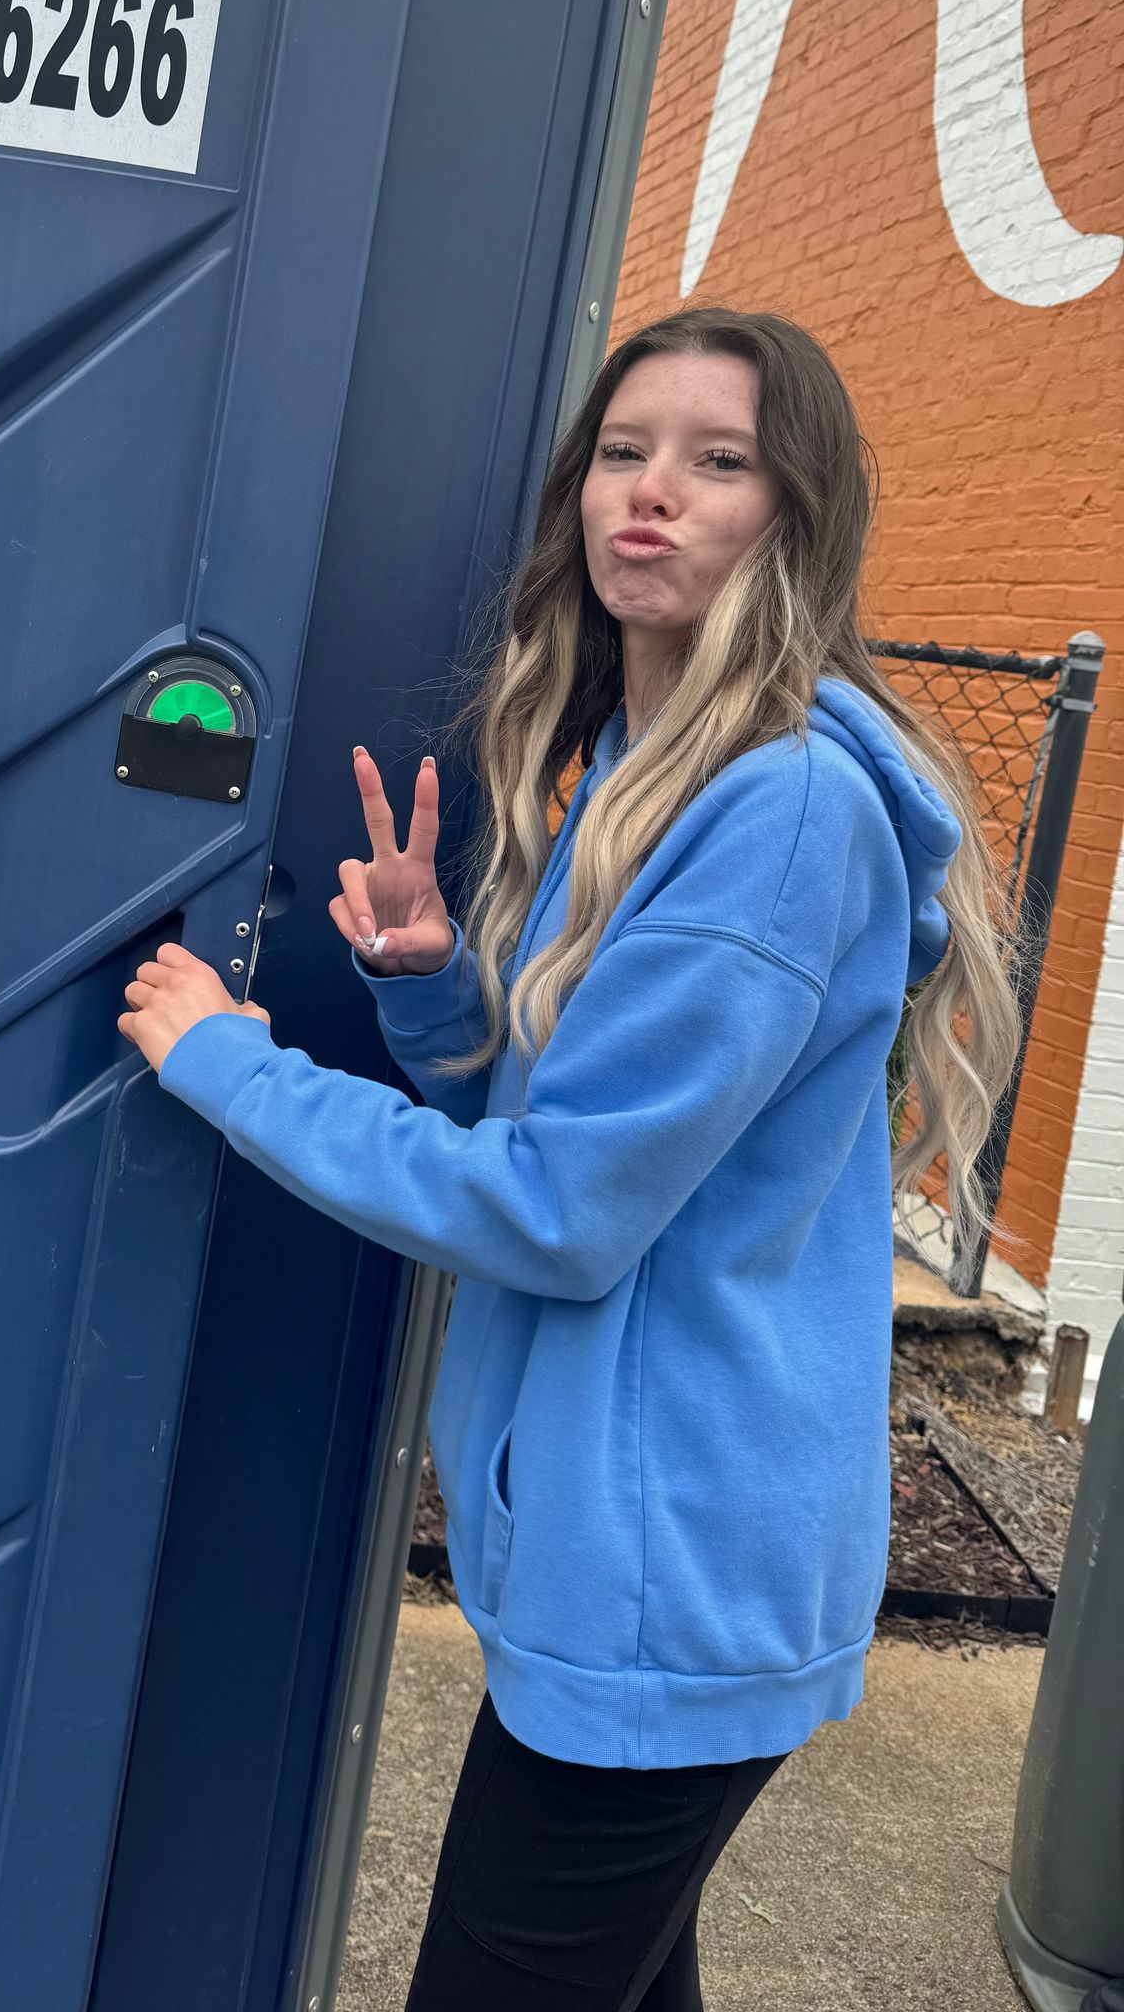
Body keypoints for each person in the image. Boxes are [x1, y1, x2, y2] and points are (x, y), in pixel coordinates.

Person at [118, 305, 1021, 2012]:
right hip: (634, 1547)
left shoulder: (781, 817)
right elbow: (553, 1131)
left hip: (671, 1567)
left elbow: (559, 1215)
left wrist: (236, 1068)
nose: (652, 495)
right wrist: (434, 987)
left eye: (717, 461)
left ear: (793, 513)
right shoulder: (632, 769)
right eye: (624, 451)